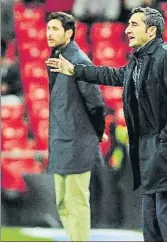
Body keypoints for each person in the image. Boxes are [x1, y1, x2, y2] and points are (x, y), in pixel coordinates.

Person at [46, 6, 167, 242]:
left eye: (134, 25)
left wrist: (164, 140)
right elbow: (112, 75)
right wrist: (76, 70)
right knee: (151, 222)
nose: (127, 29)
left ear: (151, 31)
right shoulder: (138, 61)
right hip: (151, 152)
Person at [45, 12, 106, 241]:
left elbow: (96, 103)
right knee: (62, 201)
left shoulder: (79, 62)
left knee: (77, 200)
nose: (49, 33)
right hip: (61, 139)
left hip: (78, 141)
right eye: (48, 28)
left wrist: (98, 132)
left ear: (69, 33)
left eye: (54, 29)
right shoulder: (56, 59)